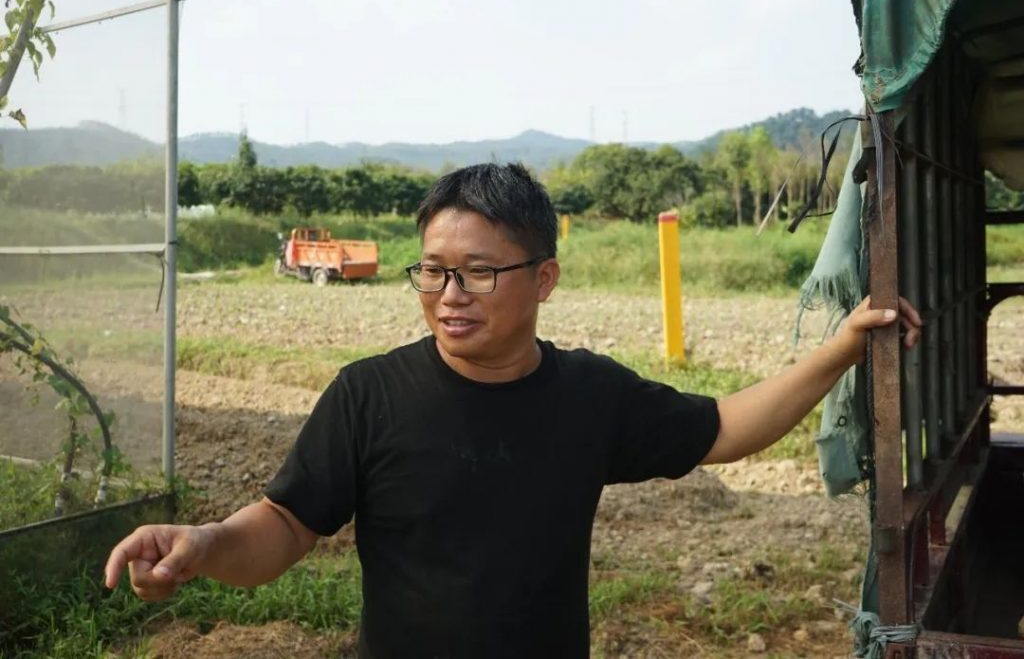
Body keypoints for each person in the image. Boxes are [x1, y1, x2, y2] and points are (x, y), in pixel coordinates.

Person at [104, 163, 921, 658]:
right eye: (432, 270)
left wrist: (841, 348)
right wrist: (205, 545)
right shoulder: (369, 395)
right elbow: (284, 525)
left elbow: (726, 427)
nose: (449, 295)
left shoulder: (590, 394)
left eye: (478, 272)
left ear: (544, 278)